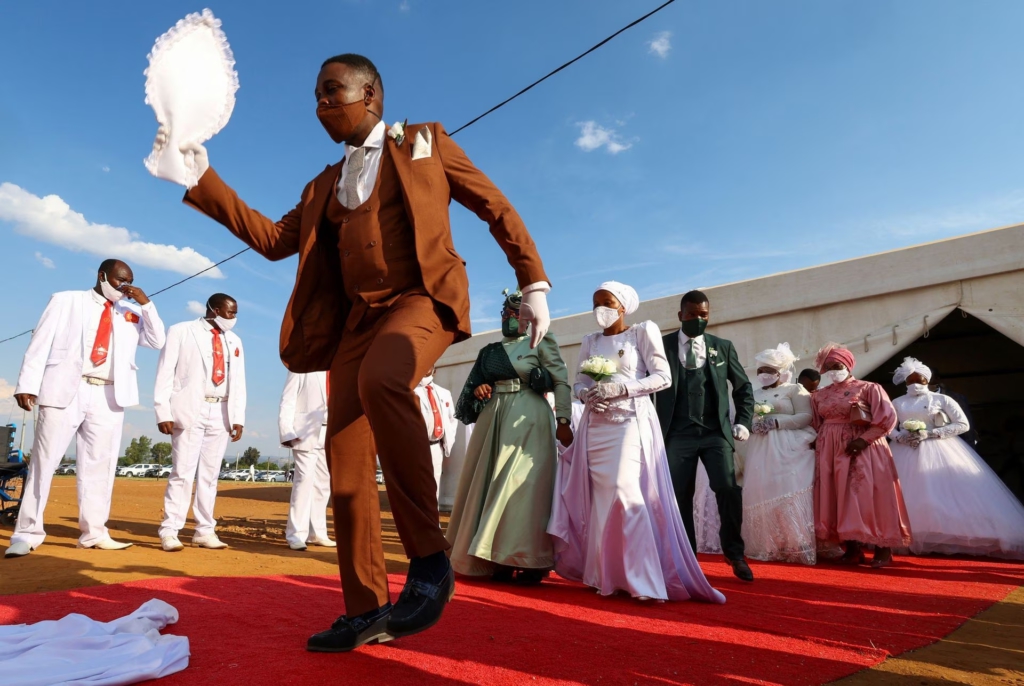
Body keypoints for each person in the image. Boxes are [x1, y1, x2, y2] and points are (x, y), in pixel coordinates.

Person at [154, 53, 552, 651]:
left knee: (385, 380)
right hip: (355, 325)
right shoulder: (321, 186)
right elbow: (270, 241)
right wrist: (199, 176)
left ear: (371, 96)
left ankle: (427, 558)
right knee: (343, 470)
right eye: (315, 96)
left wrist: (533, 282)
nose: (320, 105)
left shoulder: (425, 141)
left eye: (331, 92)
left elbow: (494, 206)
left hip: (420, 301)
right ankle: (366, 609)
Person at [549, 282, 725, 604]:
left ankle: (643, 579)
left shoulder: (642, 332)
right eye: (595, 303)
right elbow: (579, 381)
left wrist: (621, 389)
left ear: (623, 305)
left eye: (606, 302)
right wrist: (585, 393)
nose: (599, 308)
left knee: (624, 490)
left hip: (629, 421)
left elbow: (663, 377)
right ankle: (605, 575)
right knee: (602, 498)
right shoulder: (590, 340)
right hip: (596, 424)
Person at [6, 260, 166, 558]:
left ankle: (94, 533)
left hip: (109, 394)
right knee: (44, 463)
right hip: (66, 388)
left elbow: (157, 341)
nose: (124, 285)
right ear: (102, 276)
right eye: (119, 279)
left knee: (99, 467)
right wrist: (27, 383)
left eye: (129, 280)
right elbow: (40, 341)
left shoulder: (130, 313)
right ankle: (27, 533)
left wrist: (147, 305)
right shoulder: (66, 300)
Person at [447, 289, 572, 585]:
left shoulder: (541, 340)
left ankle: (526, 559)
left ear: (529, 318)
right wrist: (480, 392)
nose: (509, 318)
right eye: (505, 313)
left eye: (516, 313)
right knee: (490, 485)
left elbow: (561, 381)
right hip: (493, 418)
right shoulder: (488, 351)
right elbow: (471, 395)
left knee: (523, 487)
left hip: (529, 418)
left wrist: (563, 419)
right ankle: (492, 557)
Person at [655, 290, 755, 582]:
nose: (698, 320)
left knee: (727, 488)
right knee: (679, 496)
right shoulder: (662, 347)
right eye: (692, 315)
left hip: (715, 432)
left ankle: (734, 553)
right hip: (676, 434)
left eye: (703, 316)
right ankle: (687, 558)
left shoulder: (721, 347)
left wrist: (744, 421)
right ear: (680, 315)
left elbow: (743, 388)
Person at [889, 357, 1024, 559]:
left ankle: (953, 534)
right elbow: (888, 425)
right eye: (911, 380)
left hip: (942, 448)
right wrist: (900, 437)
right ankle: (910, 534)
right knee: (907, 492)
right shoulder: (897, 402)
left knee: (947, 491)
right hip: (906, 449)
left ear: (928, 380)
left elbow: (963, 424)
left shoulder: (942, 399)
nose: (915, 384)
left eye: (920, 380)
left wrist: (932, 433)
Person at [154, 294, 246, 553]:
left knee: (210, 475)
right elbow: (165, 372)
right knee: (181, 473)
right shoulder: (181, 331)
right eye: (230, 313)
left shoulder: (234, 341)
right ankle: (170, 530)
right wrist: (163, 411)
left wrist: (238, 417)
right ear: (215, 310)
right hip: (189, 409)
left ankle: (204, 530)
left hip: (221, 410)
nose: (233, 318)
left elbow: (239, 381)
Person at [811, 343, 911, 568]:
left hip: (864, 447)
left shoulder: (868, 388)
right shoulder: (820, 395)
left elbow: (886, 418)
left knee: (868, 494)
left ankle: (883, 548)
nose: (833, 370)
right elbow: (815, 423)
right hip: (830, 449)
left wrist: (863, 440)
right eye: (828, 367)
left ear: (848, 364)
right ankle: (853, 548)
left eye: (836, 365)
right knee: (839, 495)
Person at [741, 344, 817, 564]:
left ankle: (795, 543)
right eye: (760, 371)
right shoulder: (753, 393)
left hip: (787, 445)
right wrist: (753, 425)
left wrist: (777, 422)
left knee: (787, 489)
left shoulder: (795, 390)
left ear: (780, 371)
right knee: (762, 489)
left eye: (769, 371)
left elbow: (806, 416)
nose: (764, 375)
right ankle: (769, 545)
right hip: (760, 447)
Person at [279, 371, 335, 551]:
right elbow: (288, 398)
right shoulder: (302, 366)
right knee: (303, 481)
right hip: (304, 432)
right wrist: (286, 430)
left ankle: (317, 532)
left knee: (323, 484)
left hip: (330, 431)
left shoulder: (339, 367)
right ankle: (295, 534)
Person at [413, 369, 457, 500]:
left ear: (435, 370)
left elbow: (452, 419)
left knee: (434, 485)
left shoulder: (444, 393)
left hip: (435, 447)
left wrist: (447, 442)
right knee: (415, 484)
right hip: (415, 447)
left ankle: (433, 520)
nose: (427, 367)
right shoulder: (409, 391)